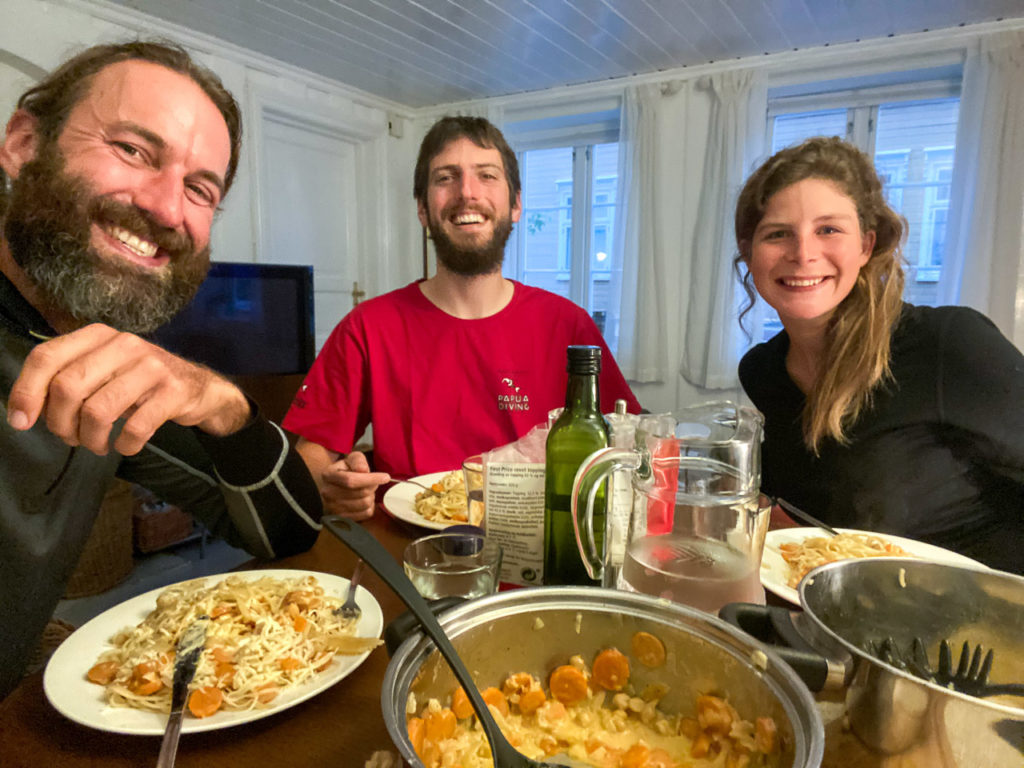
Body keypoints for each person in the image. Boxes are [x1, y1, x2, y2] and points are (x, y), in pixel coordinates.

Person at [0, 41, 323, 699]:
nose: (166, 208)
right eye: (133, 151)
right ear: (25, 142)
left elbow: (287, 529)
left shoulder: (111, 368)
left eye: (200, 189)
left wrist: (221, 402)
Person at [284, 116, 640, 520]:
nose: (466, 193)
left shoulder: (569, 327)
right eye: (445, 178)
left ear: (516, 204)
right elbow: (309, 460)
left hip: (538, 553)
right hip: (409, 557)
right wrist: (331, 485)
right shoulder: (368, 328)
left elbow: (629, 442)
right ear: (422, 208)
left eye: (486, 175)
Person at [734, 136, 1024, 574]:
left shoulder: (946, 345)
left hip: (969, 627)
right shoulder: (762, 371)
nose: (803, 254)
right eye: (777, 234)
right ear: (749, 253)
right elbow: (806, 510)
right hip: (834, 616)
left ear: (866, 246)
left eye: (828, 229)